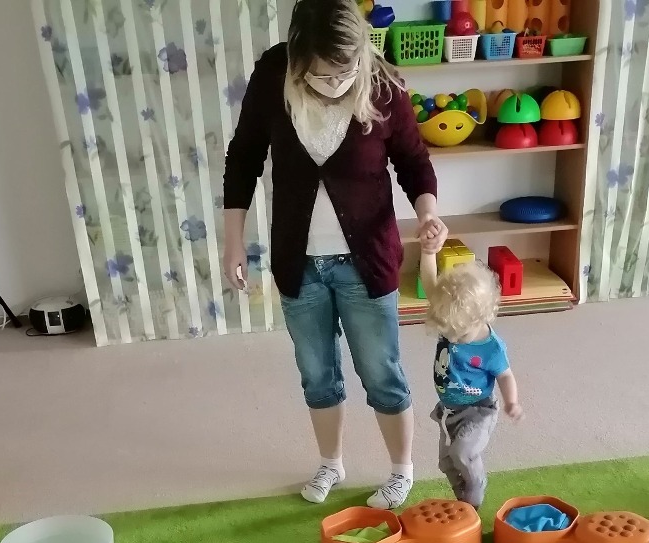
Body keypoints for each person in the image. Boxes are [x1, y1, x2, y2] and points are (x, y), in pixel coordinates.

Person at [223, 0, 447, 509]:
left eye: (346, 73)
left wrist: (428, 214)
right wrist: (232, 239)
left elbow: (414, 161)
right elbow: (244, 156)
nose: (336, 84)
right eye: (323, 75)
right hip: (298, 263)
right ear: (299, 57)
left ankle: (401, 471)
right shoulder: (272, 76)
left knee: (381, 372)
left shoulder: (382, 83)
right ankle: (331, 463)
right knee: (317, 374)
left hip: (367, 262)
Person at [421, 250, 523, 511]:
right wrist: (428, 252)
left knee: (462, 453)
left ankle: (475, 493)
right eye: (448, 332)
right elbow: (431, 284)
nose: (452, 338)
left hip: (478, 410)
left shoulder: (492, 348)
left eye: (459, 334)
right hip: (447, 410)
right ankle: (464, 503)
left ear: (482, 317)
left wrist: (512, 402)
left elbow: (505, 375)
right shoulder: (452, 318)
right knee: (446, 462)